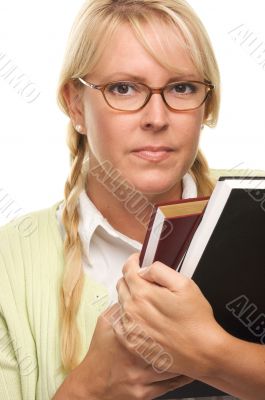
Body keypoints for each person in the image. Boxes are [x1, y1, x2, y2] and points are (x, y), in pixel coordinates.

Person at [0, 0, 247, 399]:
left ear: (206, 103)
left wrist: (216, 354)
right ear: (75, 104)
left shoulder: (255, 204)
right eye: (123, 88)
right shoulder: (8, 264)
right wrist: (91, 387)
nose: (156, 117)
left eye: (181, 87)